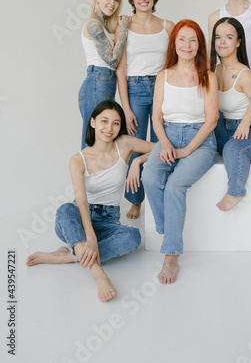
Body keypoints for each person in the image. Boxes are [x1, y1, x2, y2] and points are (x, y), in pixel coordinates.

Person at [26, 100, 155, 302]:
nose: (109, 128)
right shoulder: (78, 159)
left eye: (115, 123)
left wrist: (137, 161)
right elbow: (82, 201)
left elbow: (161, 147)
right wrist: (90, 236)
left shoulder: (125, 145)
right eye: (104, 121)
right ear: (93, 122)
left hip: (109, 222)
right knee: (65, 209)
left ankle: (70, 255)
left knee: (133, 237)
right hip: (77, 221)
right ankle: (96, 272)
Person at [142, 20, 218, 284]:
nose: (187, 45)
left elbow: (211, 120)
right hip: (168, 134)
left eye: (193, 40)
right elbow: (156, 117)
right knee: (149, 177)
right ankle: (166, 228)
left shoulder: (208, 76)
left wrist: (187, 149)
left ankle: (171, 255)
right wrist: (164, 143)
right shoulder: (163, 75)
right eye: (182, 40)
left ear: (200, 45)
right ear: (174, 43)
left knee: (175, 186)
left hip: (201, 139)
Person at [117, 0, 174, 220]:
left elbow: (175, 60)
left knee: (162, 142)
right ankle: (136, 201)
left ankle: (159, 193)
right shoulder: (125, 26)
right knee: (136, 144)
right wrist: (126, 108)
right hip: (135, 87)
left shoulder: (167, 25)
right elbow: (121, 68)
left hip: (162, 87)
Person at [210, 17, 251, 210]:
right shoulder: (215, 69)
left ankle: (236, 192)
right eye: (218, 37)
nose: (222, 42)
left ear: (238, 42)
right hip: (223, 129)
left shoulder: (244, 74)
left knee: (233, 149)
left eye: (228, 37)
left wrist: (245, 124)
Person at [79, 0, 131, 149]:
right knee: (92, 139)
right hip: (97, 81)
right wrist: (124, 29)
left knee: (103, 140)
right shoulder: (93, 24)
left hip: (106, 82)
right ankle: (83, 175)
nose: (112, 4)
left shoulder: (105, 26)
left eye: (117, 0)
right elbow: (113, 60)